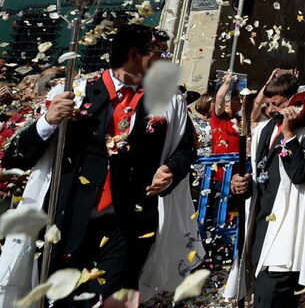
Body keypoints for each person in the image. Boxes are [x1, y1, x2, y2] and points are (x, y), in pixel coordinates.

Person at [0, 24, 199, 306]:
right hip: (68, 218)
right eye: (159, 53)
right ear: (134, 54)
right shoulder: (74, 91)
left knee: (115, 300)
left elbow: (185, 149)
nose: (166, 61)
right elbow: (15, 157)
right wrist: (48, 121)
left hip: (128, 222)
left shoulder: (169, 101)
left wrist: (171, 170)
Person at [227, 71, 305, 308]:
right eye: (268, 104)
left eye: (278, 104)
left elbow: (300, 174)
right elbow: (262, 174)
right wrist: (242, 184)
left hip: (292, 225)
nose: (271, 110)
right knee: (268, 290)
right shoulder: (265, 129)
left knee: (271, 292)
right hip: (263, 222)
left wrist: (290, 135)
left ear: (294, 100)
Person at [213, 72, 243, 154]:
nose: (241, 101)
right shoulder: (219, 116)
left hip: (237, 163)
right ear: (226, 103)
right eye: (237, 99)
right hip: (221, 163)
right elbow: (220, 96)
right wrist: (227, 82)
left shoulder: (240, 119)